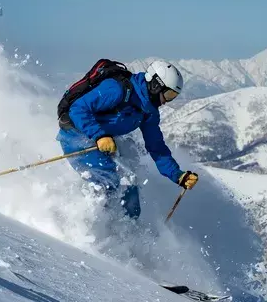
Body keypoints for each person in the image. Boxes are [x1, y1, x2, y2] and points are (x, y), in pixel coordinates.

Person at [56, 60, 198, 219]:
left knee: (129, 183)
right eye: (169, 94)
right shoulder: (116, 90)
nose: (167, 101)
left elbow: (156, 146)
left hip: (105, 140)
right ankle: (87, 227)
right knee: (108, 180)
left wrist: (177, 175)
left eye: (173, 96)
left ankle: (130, 232)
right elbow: (78, 109)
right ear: (156, 85)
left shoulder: (148, 111)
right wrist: (99, 135)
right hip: (76, 135)